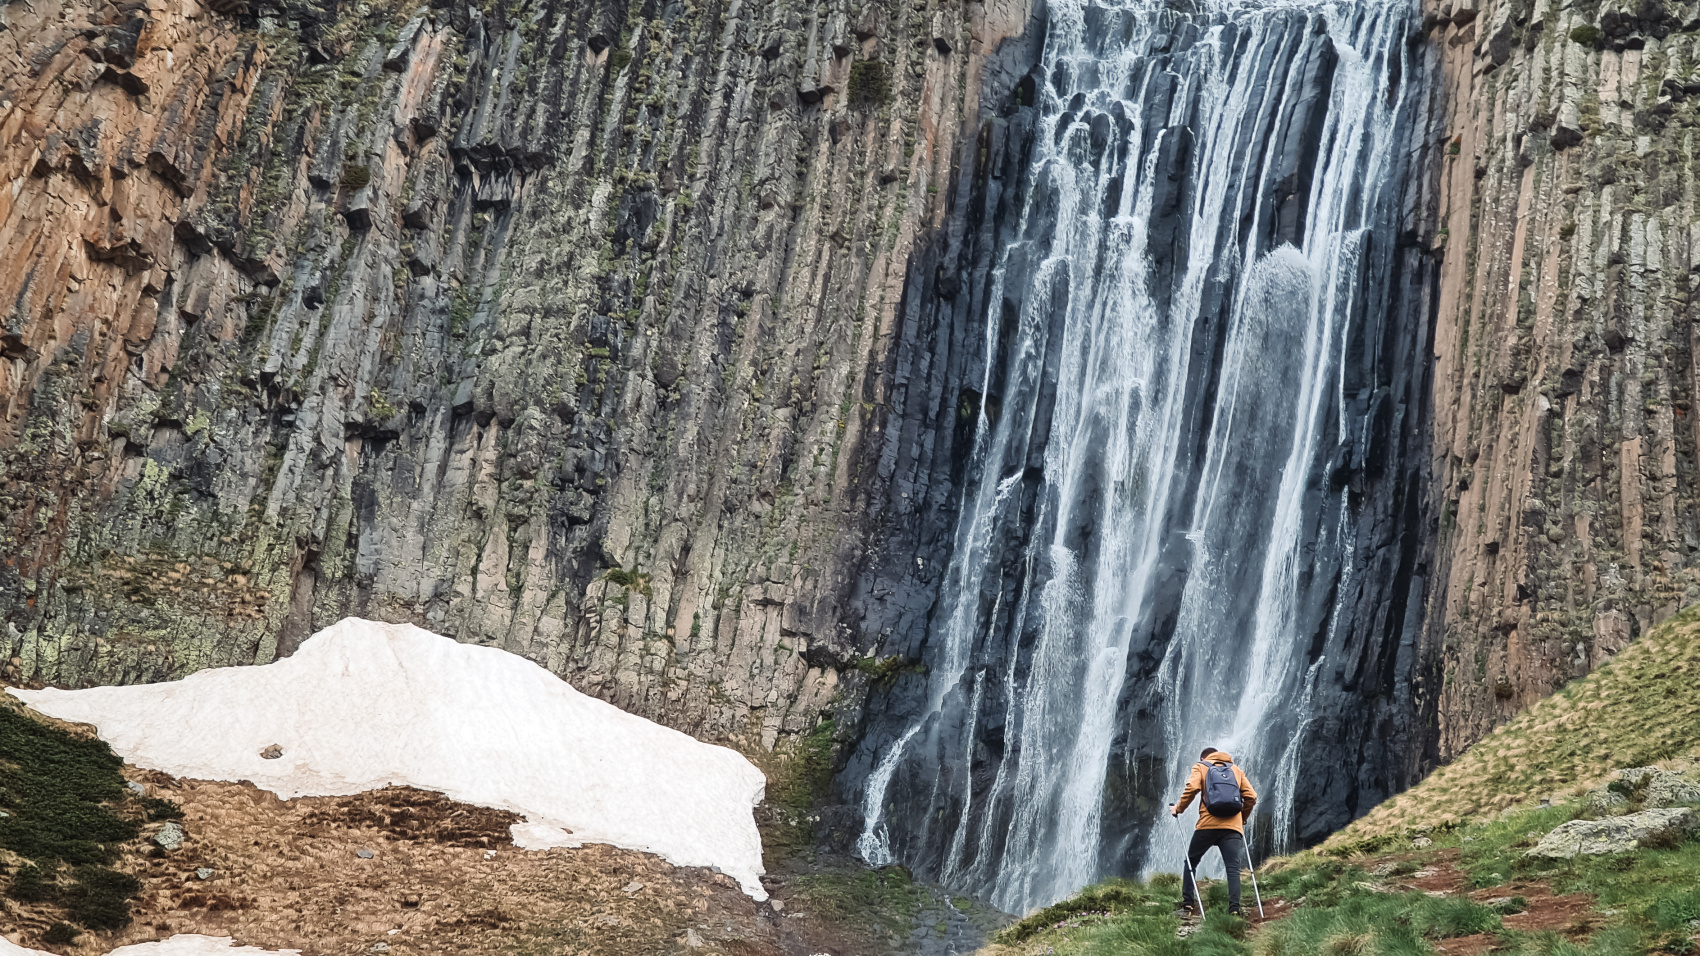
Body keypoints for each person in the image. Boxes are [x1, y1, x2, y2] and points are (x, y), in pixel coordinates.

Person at [1169, 747, 1258, 918]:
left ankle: (1187, 906)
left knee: (1191, 862)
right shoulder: (1236, 770)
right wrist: (1242, 818)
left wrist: (1178, 809)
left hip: (1207, 826)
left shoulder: (1201, 766)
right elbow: (1252, 797)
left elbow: (1192, 788)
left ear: (1203, 757)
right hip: (1232, 828)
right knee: (1232, 868)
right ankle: (1234, 910)